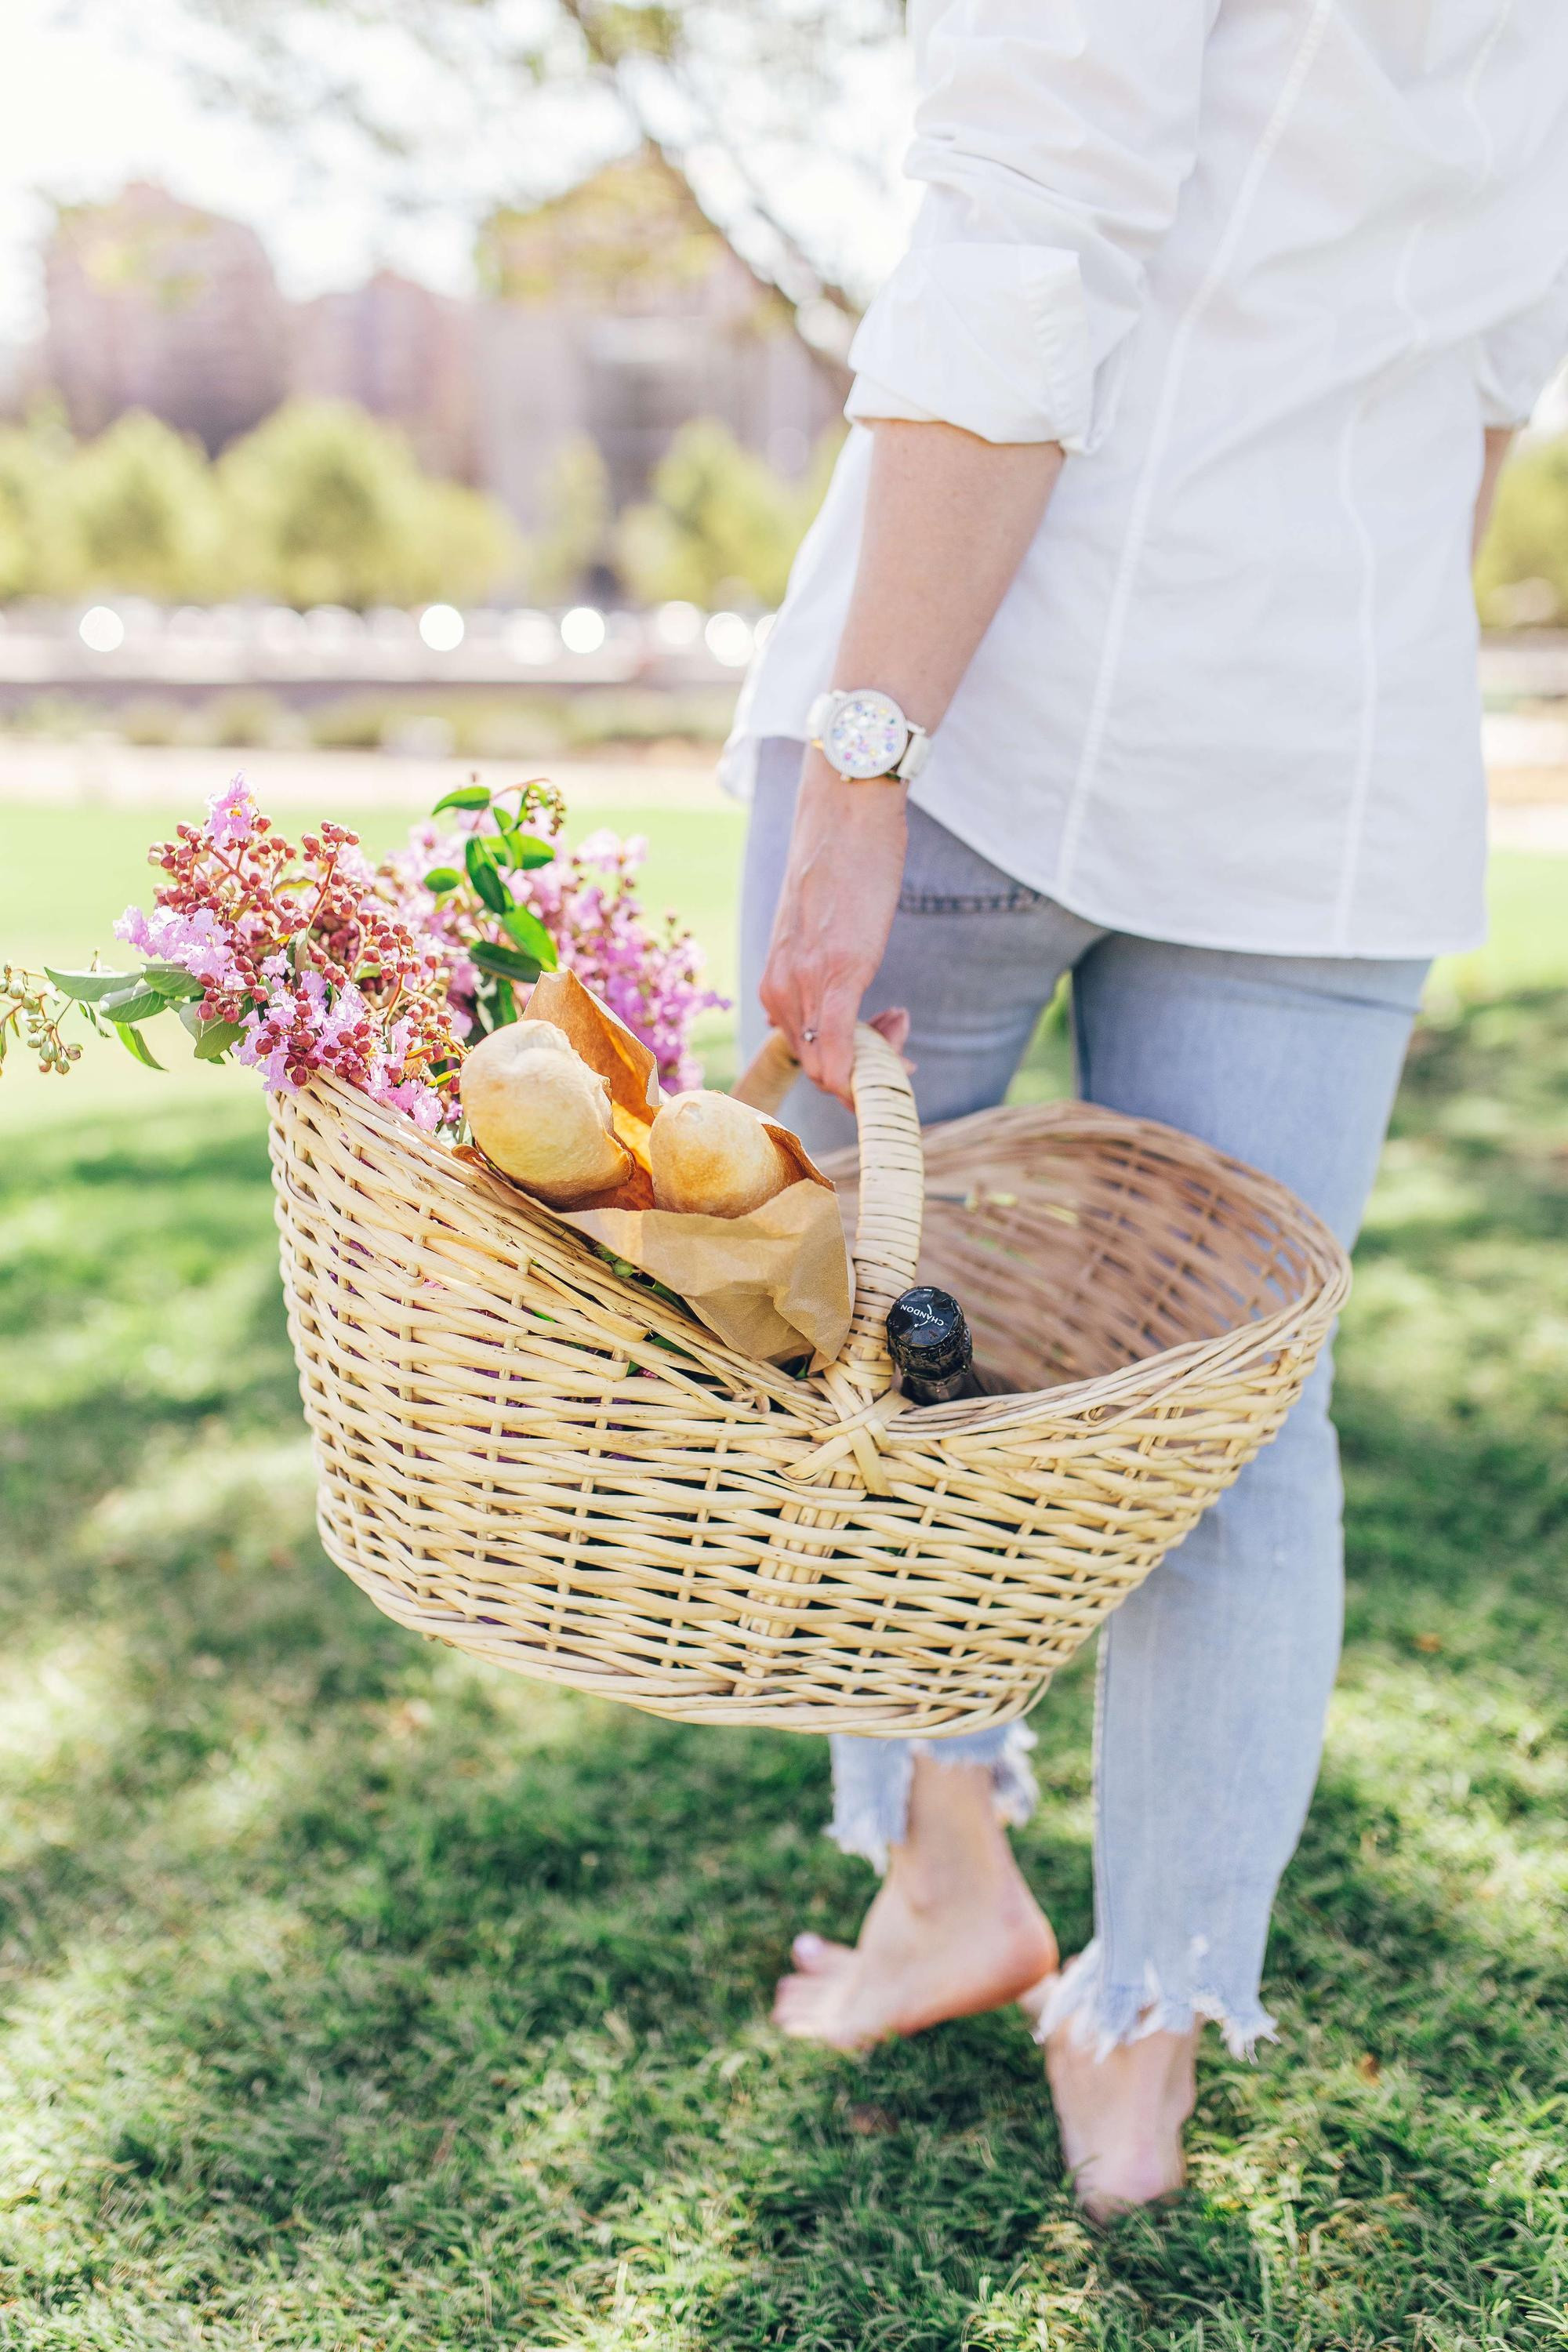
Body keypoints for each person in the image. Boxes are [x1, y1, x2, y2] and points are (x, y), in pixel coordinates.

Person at [722, 0, 1568, 2221]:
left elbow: (1021, 238)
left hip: (993, 701)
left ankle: (949, 1877)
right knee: (1240, 1432)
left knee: (845, 1347)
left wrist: (859, 758)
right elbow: (1493, 391)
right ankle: (1141, 2030)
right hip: (1330, 754)